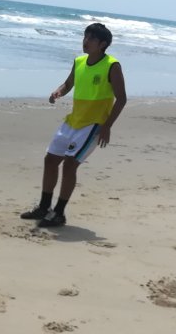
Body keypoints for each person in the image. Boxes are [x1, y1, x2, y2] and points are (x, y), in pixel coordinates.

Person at [20, 23, 127, 227]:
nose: (85, 41)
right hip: (73, 120)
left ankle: (59, 212)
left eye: (91, 39)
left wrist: (107, 126)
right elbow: (69, 83)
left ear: (102, 44)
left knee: (70, 165)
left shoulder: (112, 66)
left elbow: (121, 99)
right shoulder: (79, 61)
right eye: (85, 36)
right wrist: (58, 92)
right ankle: (44, 207)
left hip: (94, 124)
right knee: (50, 160)